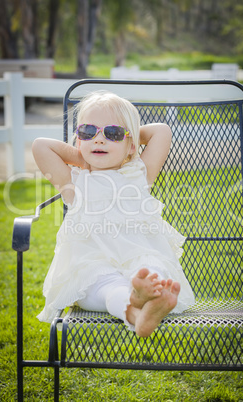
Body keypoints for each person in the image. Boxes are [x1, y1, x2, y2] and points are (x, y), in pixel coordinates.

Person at [32, 91, 195, 338]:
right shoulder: (74, 183)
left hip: (138, 261)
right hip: (93, 269)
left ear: (131, 144)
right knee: (108, 289)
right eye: (88, 132)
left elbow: (161, 130)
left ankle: (148, 298)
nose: (99, 140)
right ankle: (134, 313)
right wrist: (83, 157)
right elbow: (40, 146)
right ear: (79, 139)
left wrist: (127, 144)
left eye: (113, 133)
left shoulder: (139, 173)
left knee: (153, 270)